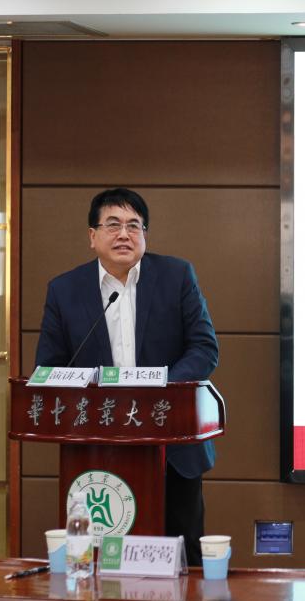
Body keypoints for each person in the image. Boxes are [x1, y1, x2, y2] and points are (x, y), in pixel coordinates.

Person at [35, 188, 219, 565]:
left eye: (134, 225)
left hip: (172, 446)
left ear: (144, 235)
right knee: (95, 560)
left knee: (185, 561)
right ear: (92, 236)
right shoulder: (64, 290)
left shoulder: (176, 276)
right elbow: (49, 367)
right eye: (113, 225)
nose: (124, 234)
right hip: (95, 449)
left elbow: (204, 348)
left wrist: (159, 393)